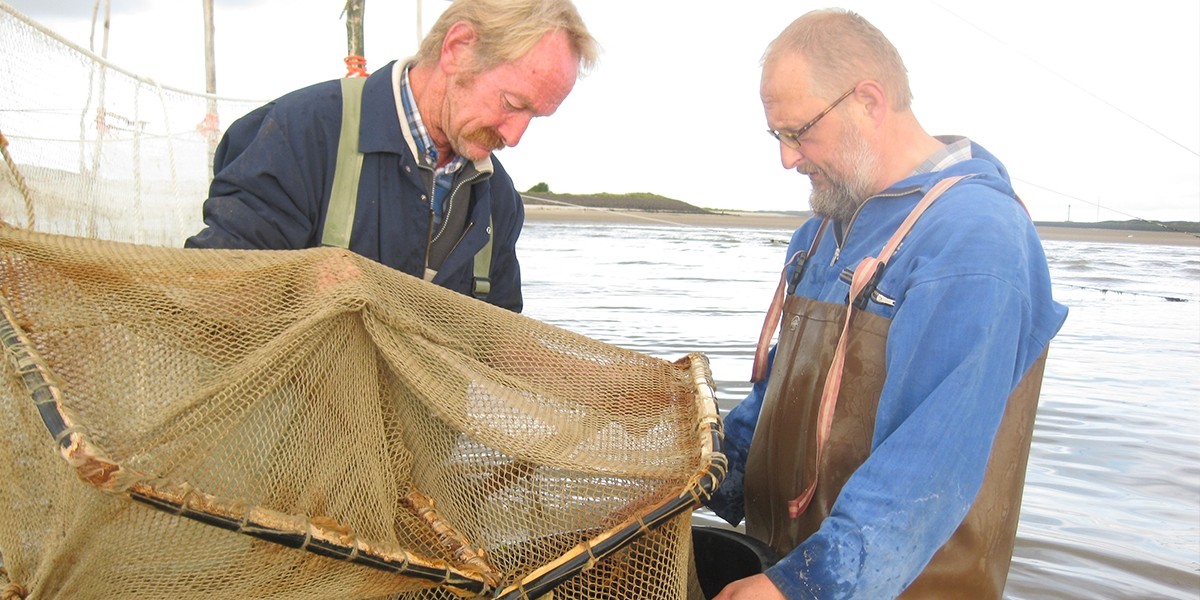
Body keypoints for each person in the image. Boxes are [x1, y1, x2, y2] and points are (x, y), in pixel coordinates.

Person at [703, 9, 1068, 599]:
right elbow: (772, 410)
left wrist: (799, 587)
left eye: (799, 132)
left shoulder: (975, 238)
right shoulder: (818, 236)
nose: (787, 158)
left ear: (869, 101)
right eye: (778, 136)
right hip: (774, 563)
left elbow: (931, 469)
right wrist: (700, 470)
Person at [185, 0, 598, 313]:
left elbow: (500, 341)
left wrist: (619, 386)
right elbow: (203, 294)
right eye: (512, 102)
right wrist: (297, 285)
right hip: (292, 424)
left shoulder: (499, 199)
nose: (515, 135)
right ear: (458, 48)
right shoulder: (300, 132)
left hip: (422, 430)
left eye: (536, 117)